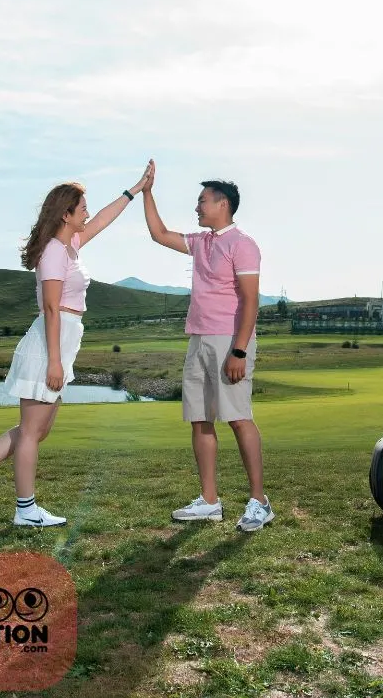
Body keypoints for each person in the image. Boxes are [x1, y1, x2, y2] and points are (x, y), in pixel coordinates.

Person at [0, 162, 154, 528]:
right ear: (66, 213)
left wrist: (135, 189)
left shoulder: (69, 244)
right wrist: (55, 362)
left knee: (37, 430)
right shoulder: (55, 252)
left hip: (60, 345)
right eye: (82, 206)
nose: (87, 211)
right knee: (31, 431)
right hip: (48, 347)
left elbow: (103, 219)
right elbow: (52, 309)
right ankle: (24, 509)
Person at [142, 167, 273, 532]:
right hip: (198, 339)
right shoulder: (202, 242)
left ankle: (259, 502)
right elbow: (159, 234)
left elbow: (250, 301)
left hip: (229, 341)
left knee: (238, 417)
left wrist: (240, 351)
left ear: (223, 204)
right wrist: (146, 192)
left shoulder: (243, 244)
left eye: (202, 201)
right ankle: (210, 502)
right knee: (200, 419)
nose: (196, 207)